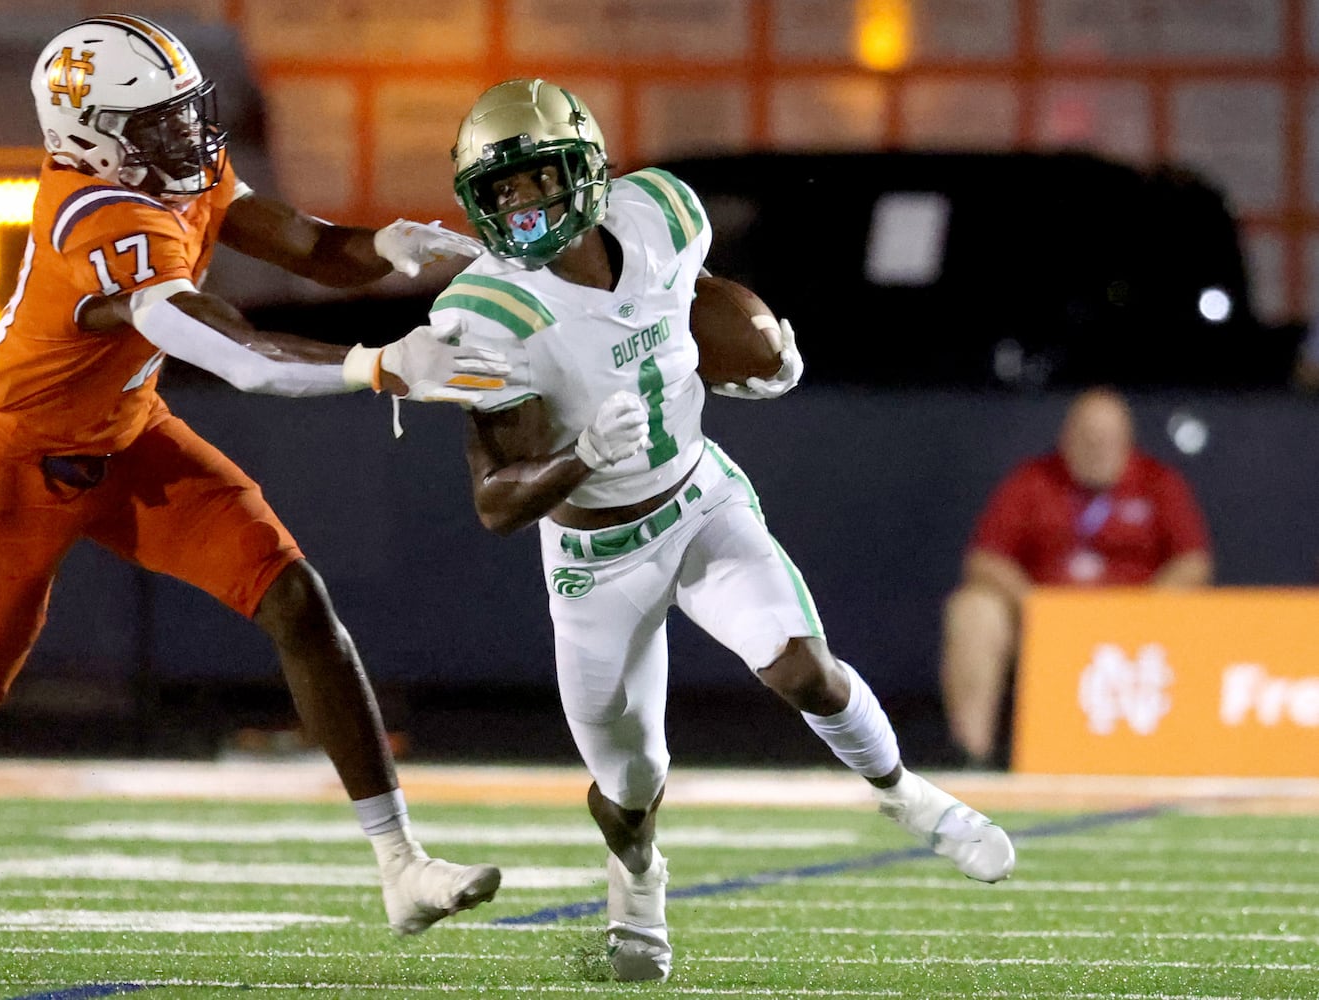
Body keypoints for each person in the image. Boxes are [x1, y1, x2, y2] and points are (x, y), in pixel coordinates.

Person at [0, 14, 509, 937]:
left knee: (294, 599)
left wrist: (384, 247)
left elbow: (302, 245)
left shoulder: (166, 170)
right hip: (23, 466)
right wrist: (376, 366)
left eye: (187, 113)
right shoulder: (102, 217)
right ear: (91, 137)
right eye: (157, 123)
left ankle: (402, 866)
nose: (187, 137)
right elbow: (245, 360)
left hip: (130, 434)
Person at [430, 78, 1016, 983]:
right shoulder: (490, 311)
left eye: (535, 179)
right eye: (498, 192)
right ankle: (637, 880)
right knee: (630, 784)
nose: (520, 206)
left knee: (802, 668)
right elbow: (496, 504)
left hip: (699, 498)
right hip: (592, 556)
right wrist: (583, 454)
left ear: (585, 172)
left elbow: (695, 297)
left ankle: (909, 798)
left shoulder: (660, 211)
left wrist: (765, 355)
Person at [939, 387, 1214, 768]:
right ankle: (972, 756)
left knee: (1198, 607)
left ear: (1127, 440)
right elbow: (985, 559)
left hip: (1137, 627)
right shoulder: (1032, 481)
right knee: (973, 609)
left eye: (1107, 438)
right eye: (1088, 437)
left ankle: (1191, 754)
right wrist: (1033, 603)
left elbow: (1193, 562)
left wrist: (1148, 610)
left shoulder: (1159, 483)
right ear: (1066, 437)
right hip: (1042, 622)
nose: (1097, 447)